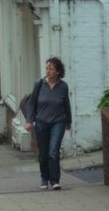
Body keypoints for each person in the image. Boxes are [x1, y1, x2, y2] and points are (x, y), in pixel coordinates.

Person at [25, 56, 72, 191]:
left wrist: (68, 121)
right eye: (47, 68)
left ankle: (55, 180)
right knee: (43, 153)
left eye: (51, 69)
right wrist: (29, 121)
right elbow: (32, 104)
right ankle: (44, 178)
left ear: (57, 71)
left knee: (53, 151)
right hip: (41, 123)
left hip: (58, 121)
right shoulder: (39, 85)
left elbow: (66, 104)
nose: (48, 71)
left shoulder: (63, 86)